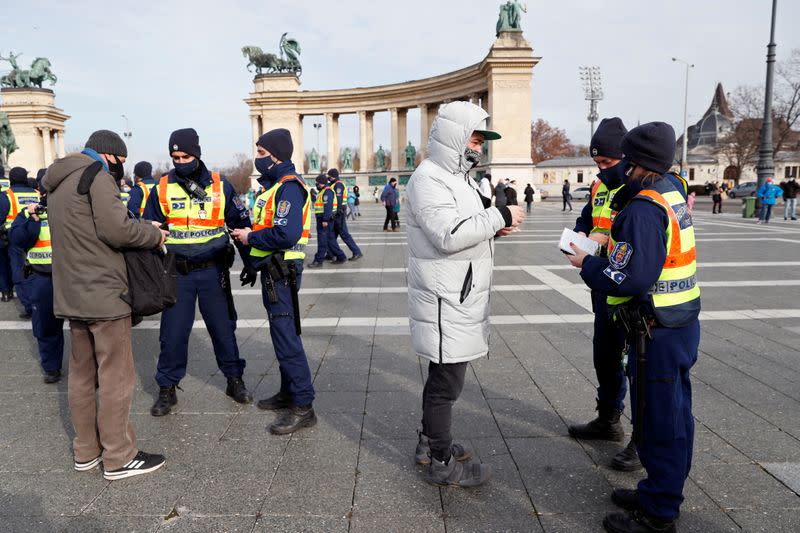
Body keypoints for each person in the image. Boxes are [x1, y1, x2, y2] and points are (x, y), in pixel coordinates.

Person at [566, 122, 700, 533]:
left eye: (623, 159)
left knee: (660, 421)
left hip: (655, 329)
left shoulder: (643, 209)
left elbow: (629, 277)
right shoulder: (670, 190)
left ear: (636, 161)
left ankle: (658, 514)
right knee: (672, 415)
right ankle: (655, 491)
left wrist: (586, 263)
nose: (617, 167)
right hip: (677, 322)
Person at [406, 101, 525, 487]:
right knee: (446, 384)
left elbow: (467, 224)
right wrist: (500, 217)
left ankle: (430, 443)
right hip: (446, 297)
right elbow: (448, 234)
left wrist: (493, 226)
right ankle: (441, 461)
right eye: (475, 137)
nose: (479, 145)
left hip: (458, 292)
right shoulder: (429, 179)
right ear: (455, 137)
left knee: (446, 379)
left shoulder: (459, 178)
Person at [42, 129, 168, 480]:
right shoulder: (95, 176)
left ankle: (86, 451)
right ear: (108, 155)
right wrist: (154, 234)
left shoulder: (57, 181)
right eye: (120, 162)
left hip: (71, 293)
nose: (121, 170)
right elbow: (117, 231)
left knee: (81, 375)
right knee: (115, 375)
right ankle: (119, 456)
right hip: (104, 293)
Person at [143, 128, 254, 416]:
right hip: (177, 273)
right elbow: (148, 229)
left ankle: (234, 380)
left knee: (223, 328)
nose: (180, 161)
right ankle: (167, 387)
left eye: (186, 156)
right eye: (175, 156)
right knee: (173, 332)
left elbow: (240, 224)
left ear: (197, 154)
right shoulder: (163, 187)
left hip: (212, 270)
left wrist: (250, 261)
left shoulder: (220, 185)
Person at [230, 129, 317, 434]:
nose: (258, 157)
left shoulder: (288, 188)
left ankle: (304, 405)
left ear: (276, 154)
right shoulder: (275, 186)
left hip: (283, 271)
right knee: (284, 334)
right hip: (274, 269)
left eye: (262, 153)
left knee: (285, 338)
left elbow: (286, 233)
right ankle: (288, 392)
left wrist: (249, 236)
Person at [567, 117, 641, 473]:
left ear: (626, 157)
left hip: (631, 291)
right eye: (597, 163)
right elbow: (587, 219)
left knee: (639, 367)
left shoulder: (642, 187)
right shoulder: (599, 186)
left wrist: (603, 242)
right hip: (603, 285)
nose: (602, 170)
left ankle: (641, 441)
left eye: (608, 164)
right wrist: (579, 239)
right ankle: (608, 419)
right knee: (606, 356)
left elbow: (638, 241)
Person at [8, 172, 64, 383]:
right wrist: (32, 219)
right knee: (46, 326)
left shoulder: (71, 210)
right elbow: (18, 239)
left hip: (71, 277)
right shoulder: (29, 212)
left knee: (83, 328)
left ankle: (87, 370)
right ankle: (52, 367)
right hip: (42, 277)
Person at [3, 166, 40, 318]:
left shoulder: (7, 196)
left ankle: (29, 305)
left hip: (15, 240)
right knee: (37, 272)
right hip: (38, 236)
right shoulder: (37, 194)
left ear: (11, 179)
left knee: (19, 272)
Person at [308, 174, 346, 268]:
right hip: (324, 219)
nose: (316, 184)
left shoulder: (327, 192)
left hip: (324, 220)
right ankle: (341, 256)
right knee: (329, 239)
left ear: (321, 183)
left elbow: (328, 207)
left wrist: (325, 219)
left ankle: (318, 260)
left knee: (322, 240)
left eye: (317, 183)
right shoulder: (324, 191)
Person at [327, 168, 363, 260]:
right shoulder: (334, 184)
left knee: (344, 234)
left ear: (333, 176)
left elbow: (338, 200)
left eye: (329, 176)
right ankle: (330, 253)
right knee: (332, 235)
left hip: (339, 213)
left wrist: (336, 212)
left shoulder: (338, 185)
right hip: (336, 212)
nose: (328, 178)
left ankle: (356, 252)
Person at [0, 163, 14, 302]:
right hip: (14, 228)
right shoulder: (10, 185)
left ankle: (5, 290)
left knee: (2, 263)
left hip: (2, 229)